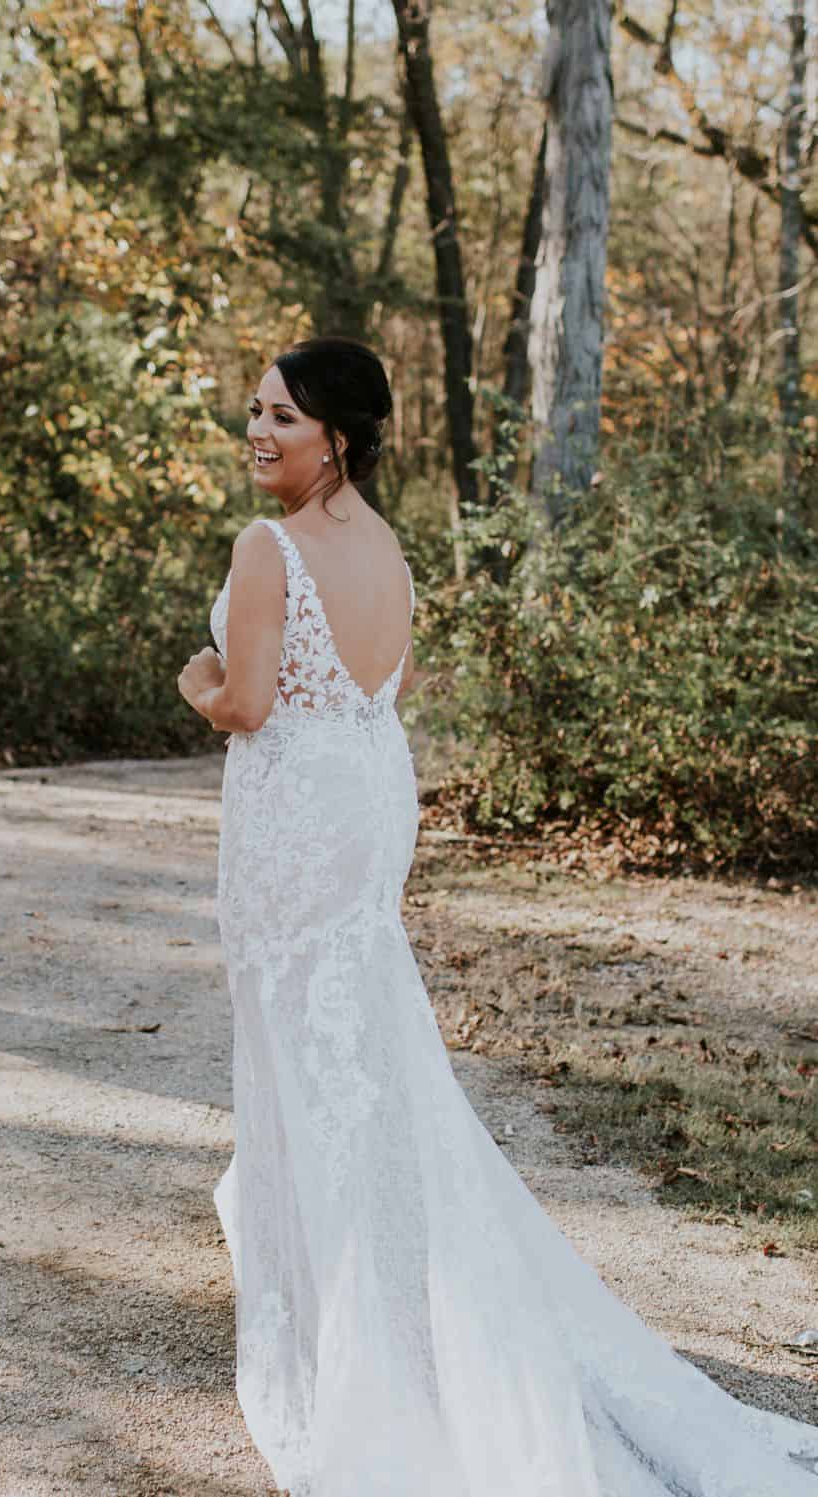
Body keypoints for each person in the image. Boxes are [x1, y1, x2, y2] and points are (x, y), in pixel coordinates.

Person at [177, 337, 818, 1495]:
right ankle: (373, 1270)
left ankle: (350, 1314)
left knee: (302, 1043)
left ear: (338, 437)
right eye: (254, 411)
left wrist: (194, 677)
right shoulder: (390, 548)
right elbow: (391, 685)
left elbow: (252, 705)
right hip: (367, 798)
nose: (257, 431)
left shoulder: (265, 548)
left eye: (280, 416)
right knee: (358, 1042)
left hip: (298, 817)